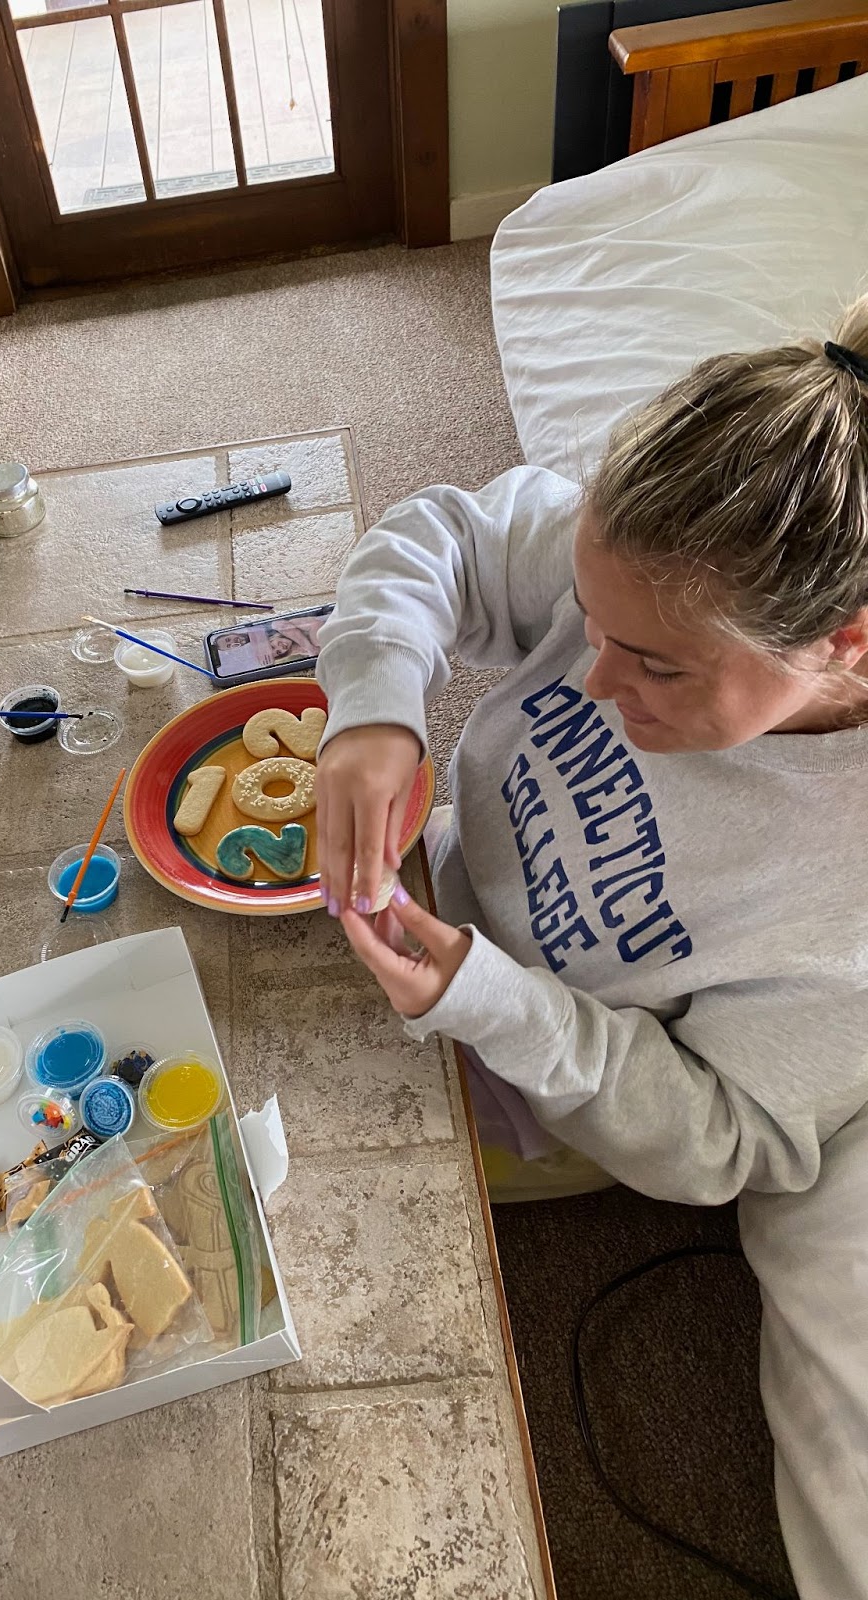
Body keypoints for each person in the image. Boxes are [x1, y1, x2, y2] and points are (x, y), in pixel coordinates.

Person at [314, 304, 868, 1596]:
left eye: (655, 669)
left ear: (843, 644)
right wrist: (376, 705)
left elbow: (718, 1140)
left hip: (545, 1065)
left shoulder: (842, 904)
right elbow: (440, 533)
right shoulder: (642, 557)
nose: (597, 684)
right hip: (452, 893)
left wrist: (483, 1000)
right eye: (589, 622)